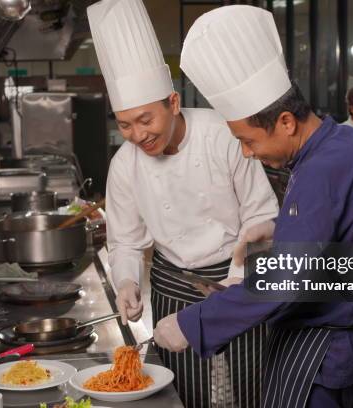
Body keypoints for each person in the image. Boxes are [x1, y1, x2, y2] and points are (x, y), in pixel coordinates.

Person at [153, 5, 353, 408]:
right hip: (319, 345)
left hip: (318, 351)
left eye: (249, 141)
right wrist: (280, 229)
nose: (246, 154)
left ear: (285, 122)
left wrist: (192, 323)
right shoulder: (339, 145)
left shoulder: (324, 167)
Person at [87, 1, 279, 407]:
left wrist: (237, 283)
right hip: (172, 287)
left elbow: (262, 216)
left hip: (234, 279)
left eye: (145, 120)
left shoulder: (224, 136)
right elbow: (125, 241)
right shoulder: (124, 165)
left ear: (173, 103)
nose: (137, 135)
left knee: (246, 389)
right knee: (183, 395)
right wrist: (126, 282)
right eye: (124, 124)